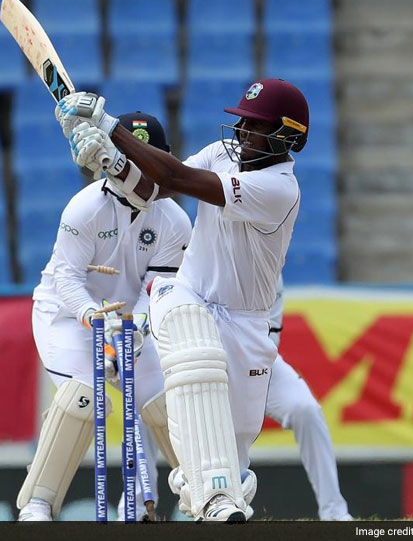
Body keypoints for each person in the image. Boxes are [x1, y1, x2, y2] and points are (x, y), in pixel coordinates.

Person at [54, 78, 308, 521]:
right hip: (184, 293)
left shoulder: (280, 189)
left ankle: (204, 492)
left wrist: (109, 127)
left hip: (246, 322)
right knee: (191, 336)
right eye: (242, 122)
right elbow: (153, 191)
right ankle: (211, 494)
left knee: (232, 458)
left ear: (287, 136)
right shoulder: (222, 153)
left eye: (255, 126)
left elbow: (174, 177)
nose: (242, 133)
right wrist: (111, 163)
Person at [17, 113, 189, 521]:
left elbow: (158, 288)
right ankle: (38, 504)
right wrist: (95, 320)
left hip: (130, 324)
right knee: (84, 398)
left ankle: (202, 495)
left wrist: (137, 329)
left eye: (150, 160)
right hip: (67, 316)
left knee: (162, 402)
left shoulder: (175, 221)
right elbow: (67, 279)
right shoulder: (85, 208)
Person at [264, 275, 352, 521]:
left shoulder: (273, 269)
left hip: (259, 363)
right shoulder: (215, 264)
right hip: (214, 367)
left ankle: (334, 512)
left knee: (306, 409)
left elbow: (270, 338)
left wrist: (253, 372)